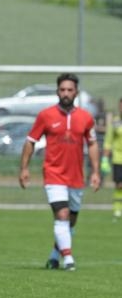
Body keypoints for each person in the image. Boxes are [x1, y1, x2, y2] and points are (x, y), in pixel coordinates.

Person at [19, 73, 100, 271]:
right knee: (62, 215)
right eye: (62, 90)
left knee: (70, 221)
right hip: (54, 175)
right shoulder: (46, 115)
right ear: (57, 91)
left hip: (76, 177)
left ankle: (54, 256)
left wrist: (96, 171)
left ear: (76, 92)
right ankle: (69, 259)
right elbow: (30, 141)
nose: (65, 93)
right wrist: (24, 168)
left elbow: (92, 144)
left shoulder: (86, 118)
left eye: (69, 90)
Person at [101, 97, 122, 220]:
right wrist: (104, 159)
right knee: (119, 185)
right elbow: (108, 142)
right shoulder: (115, 123)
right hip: (118, 158)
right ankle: (117, 208)